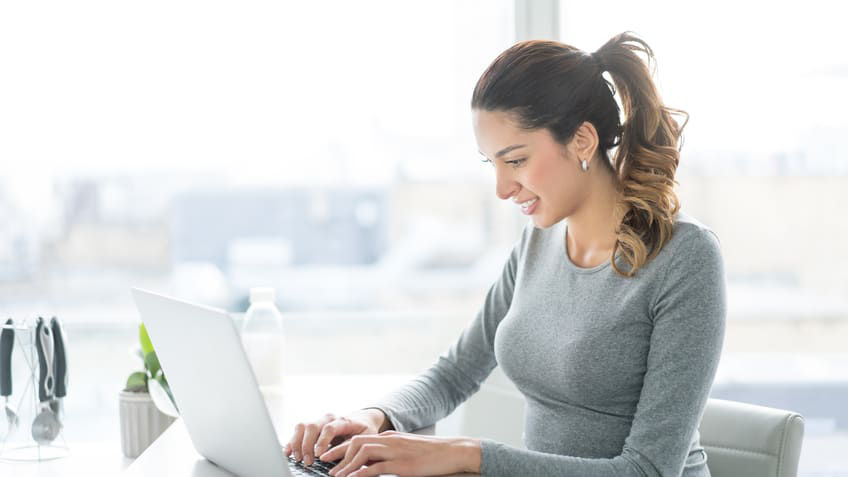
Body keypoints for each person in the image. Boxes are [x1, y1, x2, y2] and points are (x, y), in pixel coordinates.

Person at [285, 31, 726, 477]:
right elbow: (456, 372)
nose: (501, 189)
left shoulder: (686, 258)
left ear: (582, 141)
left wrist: (467, 455)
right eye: (490, 163)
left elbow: (648, 470)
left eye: (515, 161)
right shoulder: (539, 241)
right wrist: (372, 418)